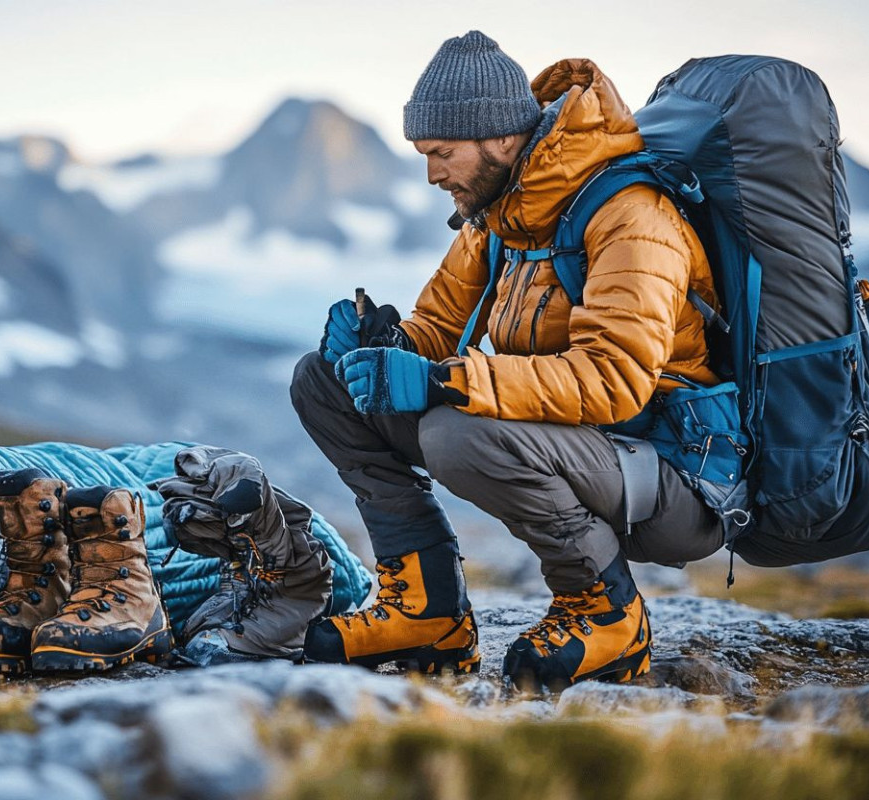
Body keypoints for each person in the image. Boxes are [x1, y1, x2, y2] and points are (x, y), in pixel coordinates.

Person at [291, 30, 725, 691]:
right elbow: (438, 324)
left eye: (442, 153)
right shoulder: (499, 214)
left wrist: (440, 381)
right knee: (323, 384)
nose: (432, 174)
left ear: (499, 139)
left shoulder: (631, 216)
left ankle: (605, 612)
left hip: (673, 473)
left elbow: (615, 382)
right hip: (584, 450)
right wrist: (385, 348)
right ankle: (427, 613)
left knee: (454, 432)